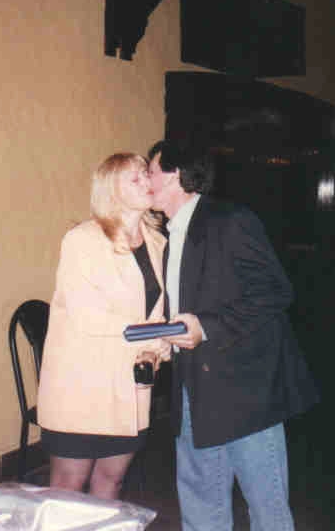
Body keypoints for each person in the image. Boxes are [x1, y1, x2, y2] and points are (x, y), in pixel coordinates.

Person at [147, 140, 318, 530]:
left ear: (175, 174)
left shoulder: (229, 219)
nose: (147, 180)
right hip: (192, 386)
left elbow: (274, 291)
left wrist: (206, 327)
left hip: (245, 391)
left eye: (152, 171)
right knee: (201, 502)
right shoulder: (173, 235)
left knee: (267, 507)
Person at [36, 153, 169, 498]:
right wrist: (158, 333)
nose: (147, 182)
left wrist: (158, 348)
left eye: (146, 174)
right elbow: (87, 315)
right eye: (135, 179)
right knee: (68, 486)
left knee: (112, 481)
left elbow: (158, 312)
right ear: (112, 191)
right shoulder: (83, 239)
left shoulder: (158, 242)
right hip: (83, 384)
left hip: (129, 385)